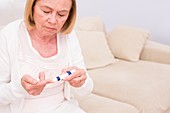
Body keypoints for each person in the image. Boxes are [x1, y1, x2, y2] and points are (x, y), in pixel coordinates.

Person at [0, 0, 93, 113]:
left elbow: (86, 91)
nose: (53, 20)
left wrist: (81, 82)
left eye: (61, 14)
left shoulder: (69, 36)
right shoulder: (9, 35)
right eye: (46, 11)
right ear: (32, 7)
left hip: (63, 108)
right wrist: (20, 87)